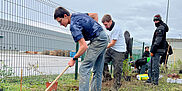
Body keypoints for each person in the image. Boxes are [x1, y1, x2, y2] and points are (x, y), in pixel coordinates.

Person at [54, 7, 108, 91]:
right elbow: (94, 15)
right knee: (98, 70)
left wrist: (74, 58)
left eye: (60, 21)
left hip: (98, 40)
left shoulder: (73, 26)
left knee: (84, 68)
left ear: (65, 16)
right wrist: (93, 30)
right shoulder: (77, 15)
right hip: (103, 37)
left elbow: (84, 47)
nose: (60, 24)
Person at [101, 14, 126, 90]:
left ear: (110, 21)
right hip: (111, 49)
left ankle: (117, 84)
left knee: (117, 69)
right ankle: (107, 77)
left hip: (119, 50)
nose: (105, 27)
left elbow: (112, 43)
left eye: (106, 24)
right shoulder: (109, 28)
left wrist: (102, 47)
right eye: (104, 25)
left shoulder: (116, 29)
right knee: (102, 60)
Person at [146, 14, 169, 85]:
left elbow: (157, 41)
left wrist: (152, 50)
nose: (155, 22)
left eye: (157, 20)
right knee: (150, 65)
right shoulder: (160, 27)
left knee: (154, 66)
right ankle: (150, 79)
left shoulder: (160, 28)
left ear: (160, 20)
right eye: (154, 20)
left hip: (157, 50)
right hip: (157, 49)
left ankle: (155, 82)